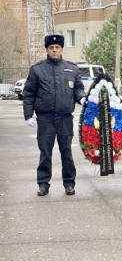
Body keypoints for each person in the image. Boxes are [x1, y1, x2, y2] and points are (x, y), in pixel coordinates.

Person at [23, 34, 85, 196]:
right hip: (46, 119)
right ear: (47, 50)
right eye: (51, 48)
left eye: (57, 48)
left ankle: (69, 183)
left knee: (67, 152)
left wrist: (83, 98)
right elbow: (29, 94)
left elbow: (78, 89)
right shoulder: (37, 69)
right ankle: (43, 183)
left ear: (62, 49)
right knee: (45, 152)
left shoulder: (72, 69)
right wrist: (28, 115)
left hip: (65, 118)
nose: (54, 50)